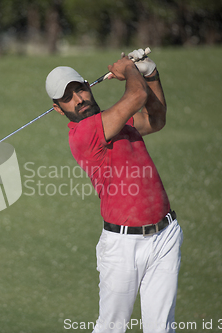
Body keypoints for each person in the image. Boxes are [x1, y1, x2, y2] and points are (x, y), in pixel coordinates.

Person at [45, 50, 183, 333]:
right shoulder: (83, 134)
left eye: (80, 89)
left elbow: (156, 119)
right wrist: (129, 69)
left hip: (165, 235)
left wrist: (150, 74)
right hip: (122, 247)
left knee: (162, 329)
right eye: (67, 98)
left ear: (88, 86)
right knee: (112, 328)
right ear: (58, 109)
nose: (79, 99)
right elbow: (135, 98)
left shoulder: (116, 123)